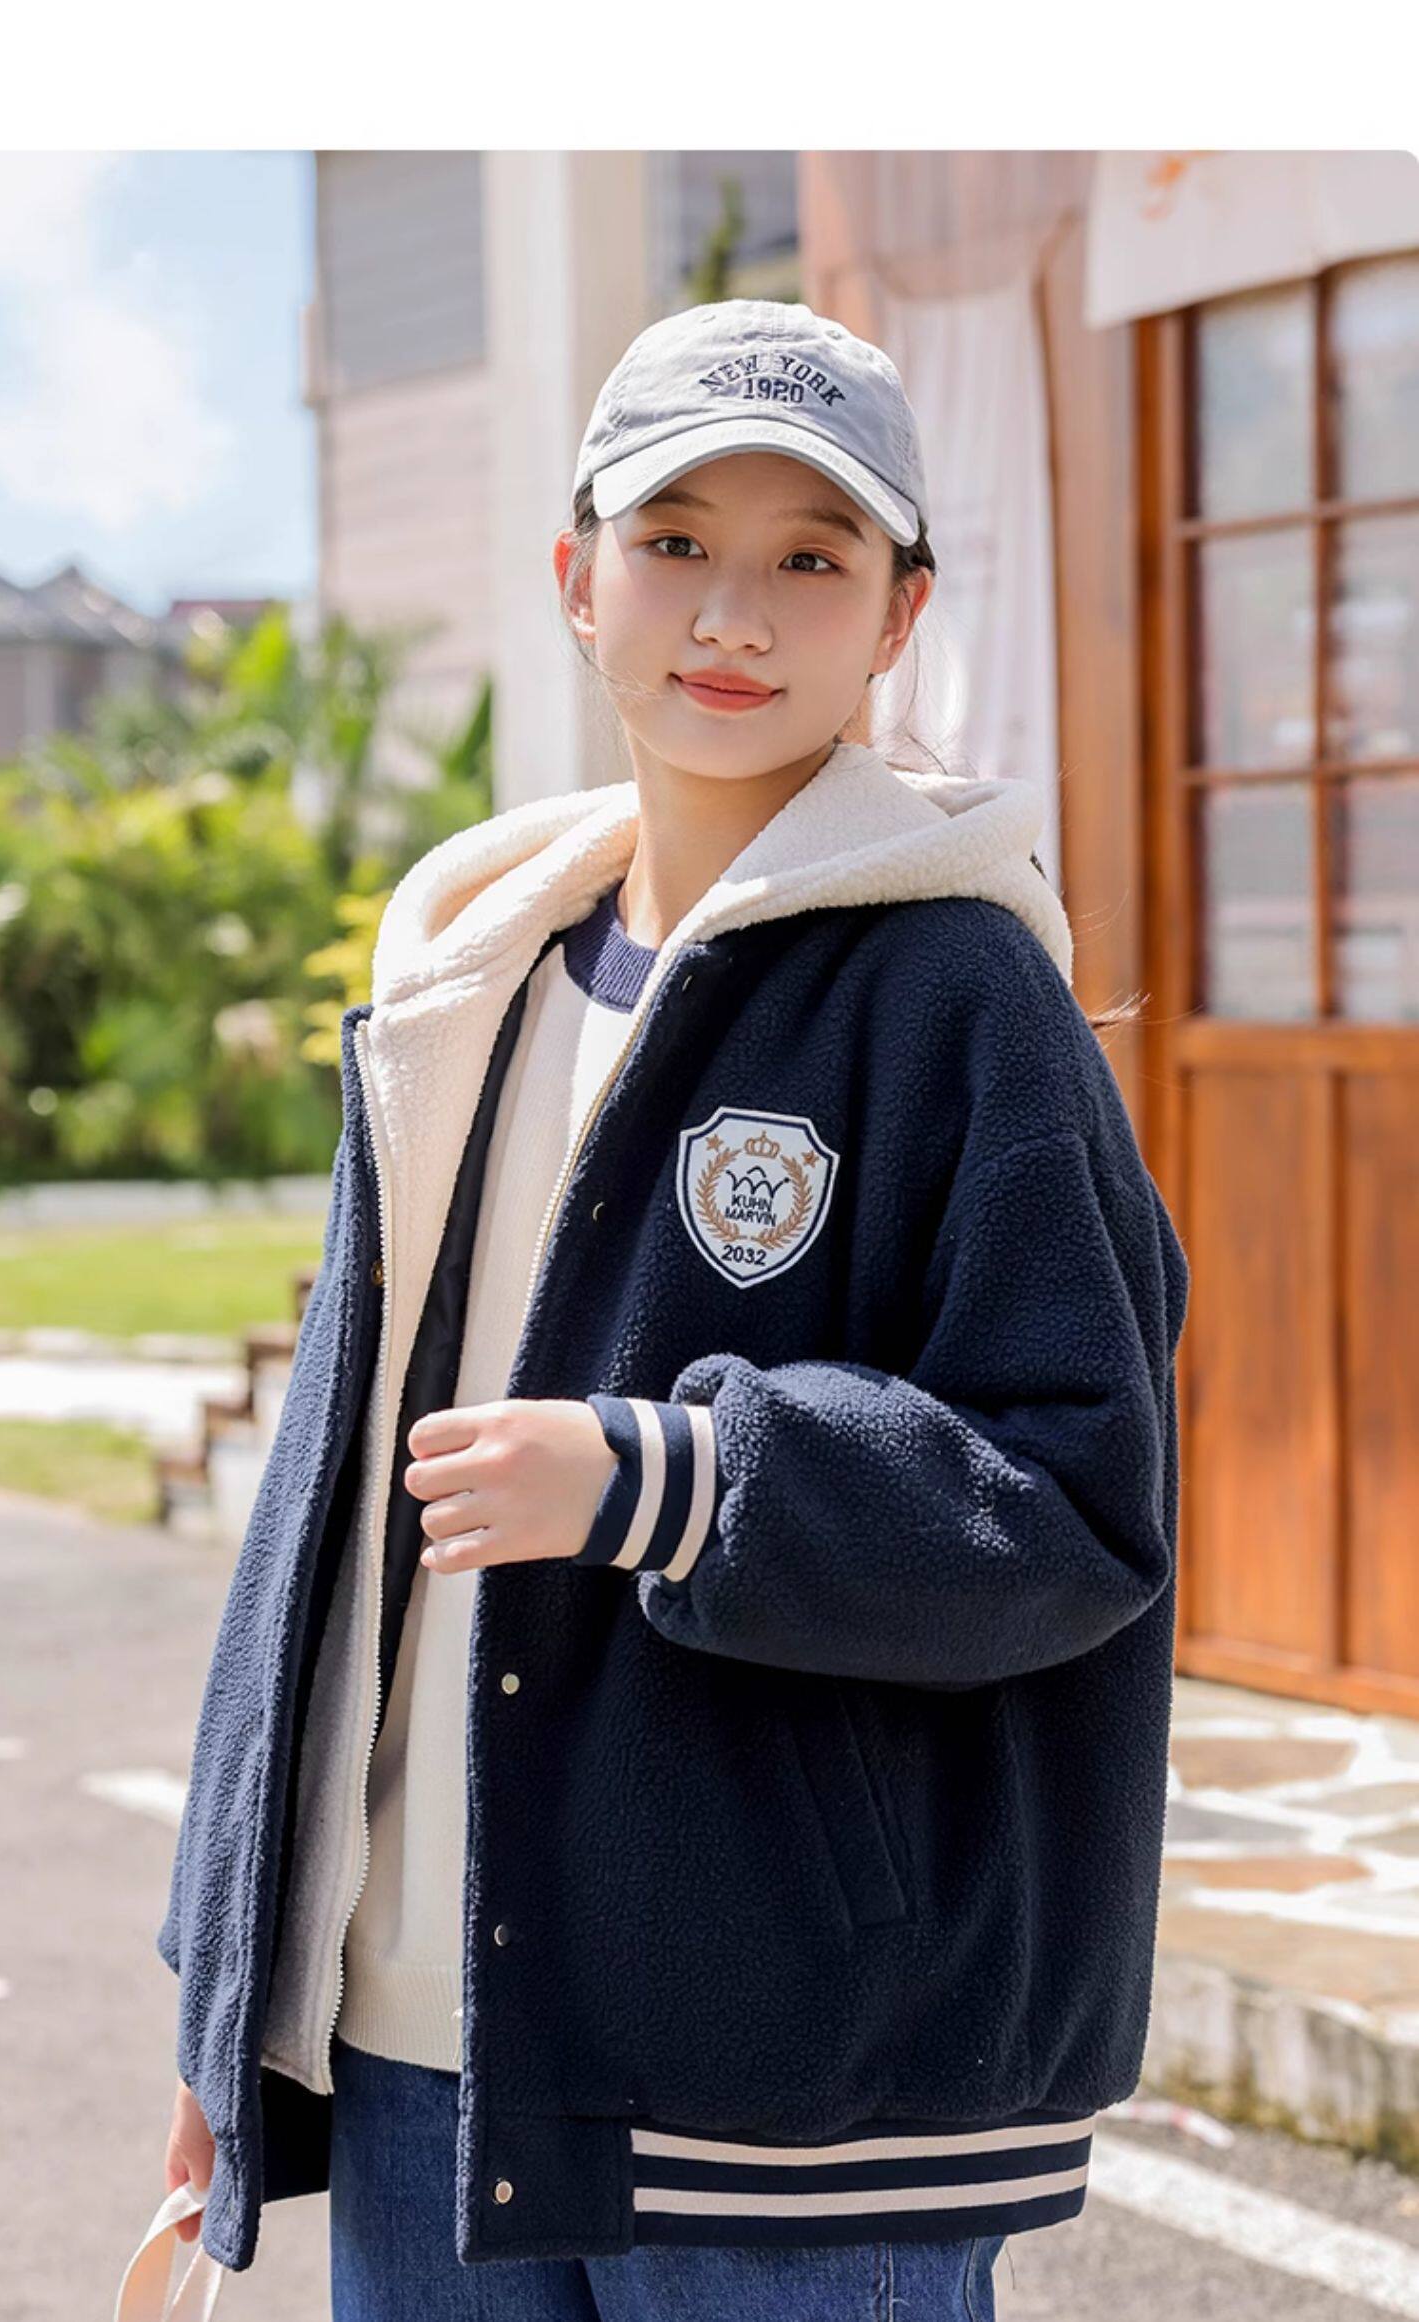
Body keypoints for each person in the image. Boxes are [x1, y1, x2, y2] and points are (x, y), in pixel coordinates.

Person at [160, 298, 1190, 2321]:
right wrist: (231, 1984)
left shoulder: (959, 996)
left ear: (897, 617)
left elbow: (1077, 1502)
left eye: (810, 556)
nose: (733, 612)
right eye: (675, 541)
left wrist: (672, 1478)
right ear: (577, 577)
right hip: (422, 2049)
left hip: (788, 2090)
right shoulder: (467, 983)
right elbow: (324, 1511)